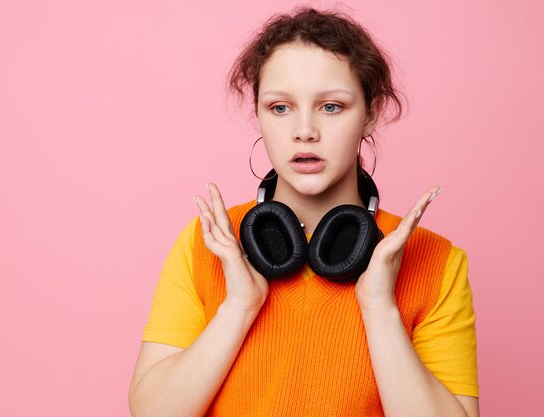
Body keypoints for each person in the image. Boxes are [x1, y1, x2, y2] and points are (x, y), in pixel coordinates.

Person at [129, 7, 479, 417]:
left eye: (331, 106)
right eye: (280, 107)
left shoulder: (436, 261)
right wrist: (238, 307)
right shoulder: (208, 243)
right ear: (257, 114)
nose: (304, 130)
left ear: (370, 114)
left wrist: (380, 308)